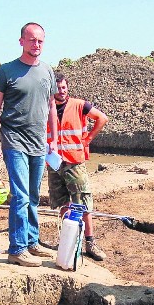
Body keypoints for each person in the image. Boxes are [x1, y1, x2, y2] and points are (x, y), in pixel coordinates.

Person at [0, 22, 58, 267]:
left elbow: (51, 107)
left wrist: (53, 140)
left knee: (34, 196)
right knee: (20, 196)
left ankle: (32, 242)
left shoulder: (48, 71)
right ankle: (17, 248)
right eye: (32, 40)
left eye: (40, 41)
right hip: (14, 141)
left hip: (39, 143)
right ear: (21, 41)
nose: (36, 45)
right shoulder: (7, 70)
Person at [47, 73, 109, 261]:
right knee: (63, 203)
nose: (62, 91)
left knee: (83, 202)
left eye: (64, 87)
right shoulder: (45, 107)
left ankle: (90, 242)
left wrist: (88, 139)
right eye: (58, 88)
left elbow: (102, 118)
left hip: (75, 161)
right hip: (55, 162)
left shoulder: (79, 105)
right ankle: (68, 240)